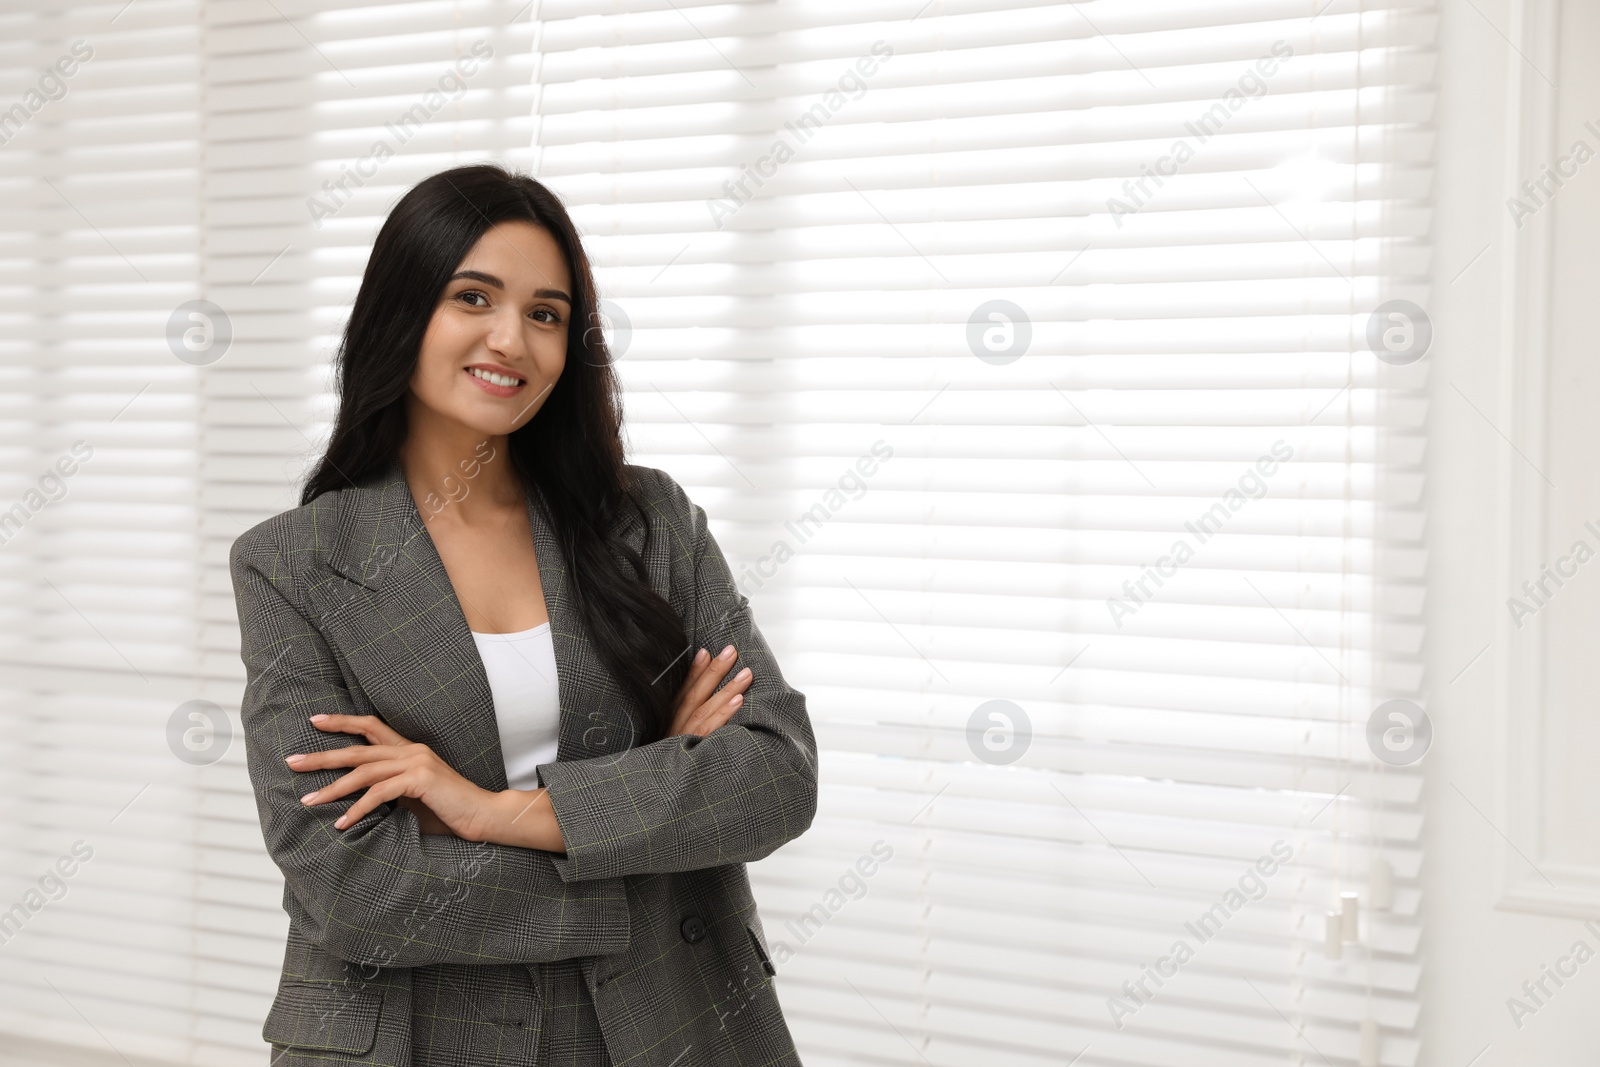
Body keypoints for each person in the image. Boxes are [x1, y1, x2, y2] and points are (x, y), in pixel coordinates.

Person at [229, 162, 818, 1066]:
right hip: (419, 1037)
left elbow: (777, 773)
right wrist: (653, 803)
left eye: (546, 313)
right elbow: (352, 886)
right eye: (474, 297)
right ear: (403, 311)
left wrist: (479, 810)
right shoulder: (295, 564)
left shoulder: (649, 522)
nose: (512, 338)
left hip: (676, 1024)